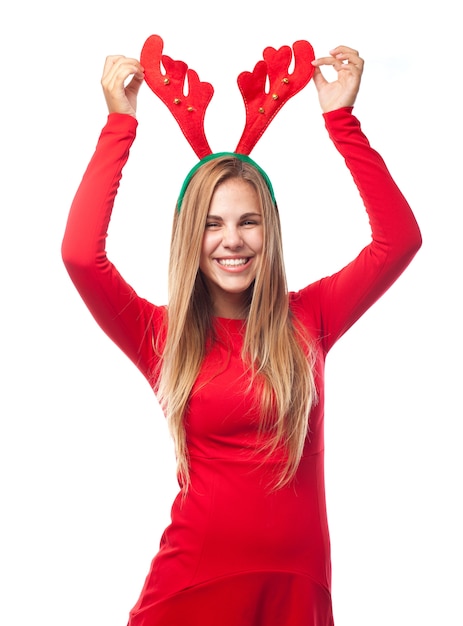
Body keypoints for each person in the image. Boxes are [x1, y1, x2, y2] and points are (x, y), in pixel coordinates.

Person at [61, 41, 421, 626]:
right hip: (192, 586)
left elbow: (398, 241)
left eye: (248, 221)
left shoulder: (312, 317)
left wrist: (342, 122)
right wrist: (119, 126)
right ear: (189, 238)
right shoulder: (163, 336)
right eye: (212, 224)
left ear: (269, 232)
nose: (233, 240)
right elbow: (81, 256)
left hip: (297, 589)